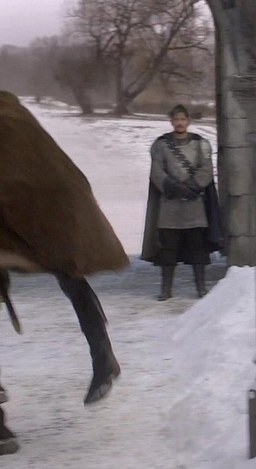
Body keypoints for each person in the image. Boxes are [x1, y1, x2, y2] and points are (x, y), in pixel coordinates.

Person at [0, 90, 127, 455]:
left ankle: (102, 355)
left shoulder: (9, 116)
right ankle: (102, 354)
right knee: (66, 266)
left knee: (66, 263)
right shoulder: (11, 110)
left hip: (32, 213)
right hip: (35, 213)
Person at [141, 104, 223, 300]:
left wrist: (192, 186)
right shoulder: (161, 145)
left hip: (195, 205)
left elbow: (206, 169)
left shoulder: (201, 144)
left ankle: (201, 288)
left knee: (198, 249)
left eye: (183, 119)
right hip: (169, 206)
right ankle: (166, 290)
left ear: (188, 121)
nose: (179, 123)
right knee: (168, 250)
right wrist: (173, 187)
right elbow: (156, 172)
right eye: (176, 119)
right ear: (171, 121)